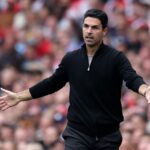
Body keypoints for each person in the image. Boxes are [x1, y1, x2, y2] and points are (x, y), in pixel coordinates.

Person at [0, 9, 150, 150]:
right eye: (86, 26)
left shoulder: (116, 58)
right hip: (77, 133)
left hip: (108, 136)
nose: (89, 31)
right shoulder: (71, 59)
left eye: (95, 27)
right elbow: (51, 83)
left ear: (104, 31)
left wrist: (145, 90)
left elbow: (132, 79)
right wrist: (19, 96)